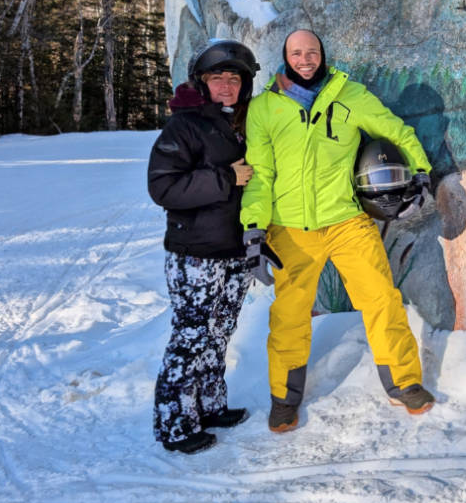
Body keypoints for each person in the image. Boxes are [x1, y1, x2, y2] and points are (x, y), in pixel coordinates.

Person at [241, 29, 435, 432]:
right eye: (296, 53)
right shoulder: (264, 109)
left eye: (311, 51)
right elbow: (260, 175)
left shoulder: (351, 96)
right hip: (290, 228)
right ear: (286, 56)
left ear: (323, 54)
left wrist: (420, 170)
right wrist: (254, 229)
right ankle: (284, 399)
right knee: (290, 315)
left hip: (347, 221)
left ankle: (404, 382)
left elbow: (396, 130)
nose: (305, 58)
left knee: (382, 298)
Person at [147, 39, 263, 454]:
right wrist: (225, 178)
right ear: (202, 81)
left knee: (219, 332)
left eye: (235, 78)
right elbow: (163, 186)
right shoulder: (186, 124)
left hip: (233, 250)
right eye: (218, 78)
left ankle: (210, 406)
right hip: (194, 253)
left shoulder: (241, 122)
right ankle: (175, 424)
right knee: (191, 337)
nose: (227, 86)